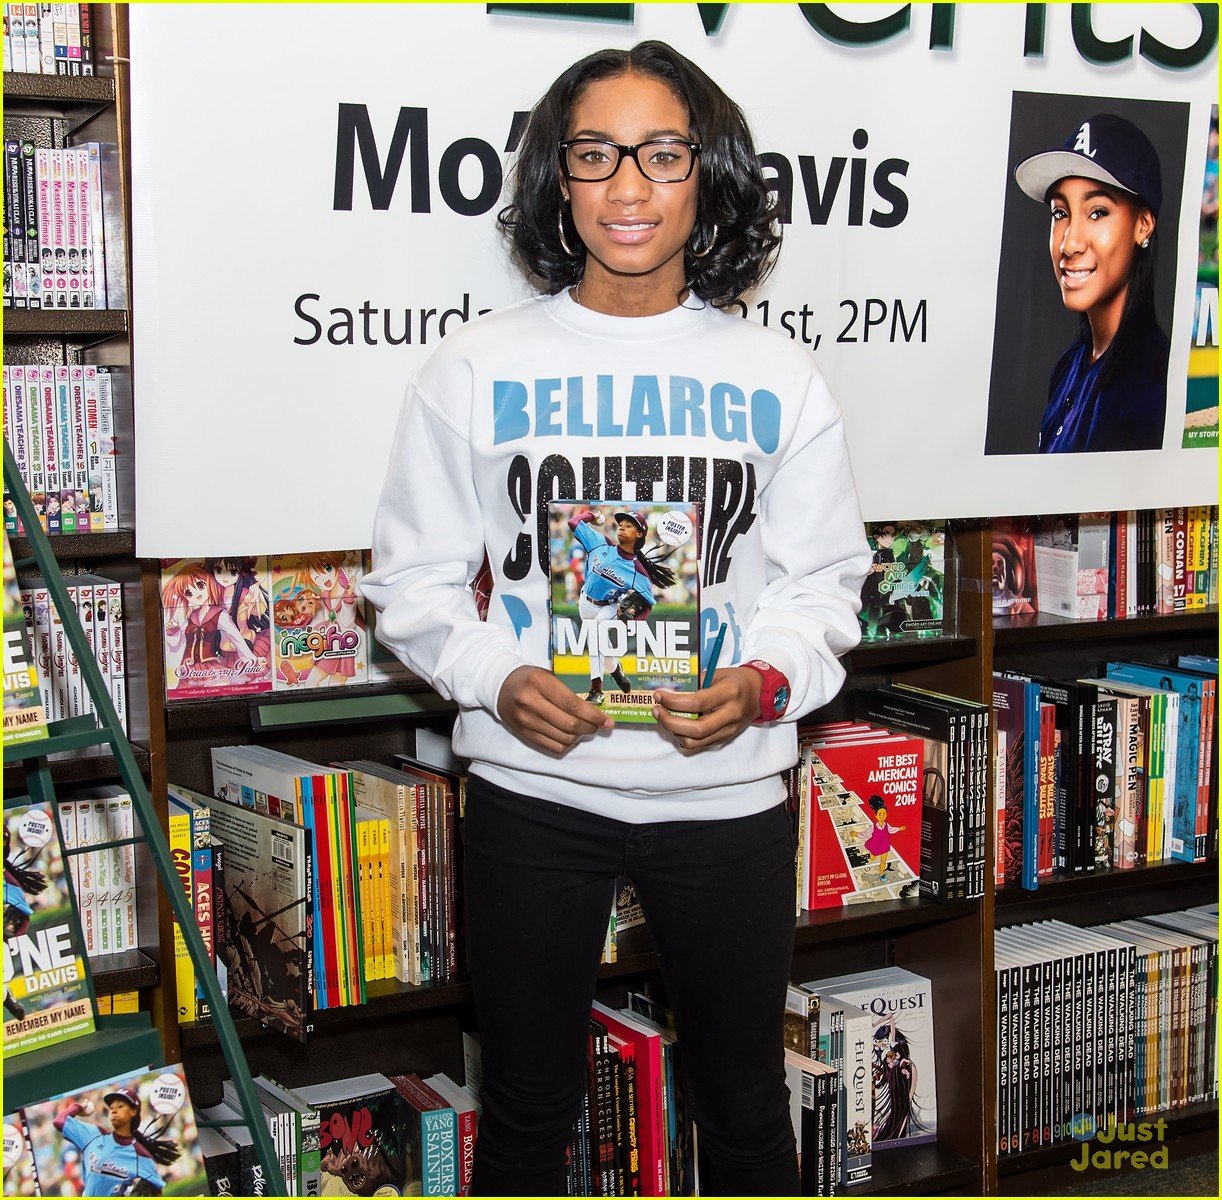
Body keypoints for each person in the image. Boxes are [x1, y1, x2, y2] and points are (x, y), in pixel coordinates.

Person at [363, 39, 870, 1197]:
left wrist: (766, 685)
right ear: (557, 178)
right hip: (535, 797)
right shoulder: (473, 367)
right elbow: (414, 580)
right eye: (594, 154)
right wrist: (496, 676)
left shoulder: (779, 376)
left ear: (709, 173)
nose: (628, 185)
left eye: (660, 153)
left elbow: (822, 584)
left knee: (745, 1110)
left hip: (728, 795)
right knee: (529, 1116)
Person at [1015, 113, 1169, 453]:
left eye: (1097, 212)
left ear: (1143, 225)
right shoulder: (1071, 364)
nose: (1070, 243)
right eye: (1060, 213)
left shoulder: (1152, 387)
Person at [566, 506, 676, 702]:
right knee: (603, 647)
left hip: (609, 607)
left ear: (639, 534)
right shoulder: (600, 543)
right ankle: (616, 670)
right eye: (621, 525)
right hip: (585, 602)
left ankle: (596, 689)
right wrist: (593, 516)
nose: (622, 528)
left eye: (629, 526)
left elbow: (648, 603)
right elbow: (574, 523)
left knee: (595, 633)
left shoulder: (636, 569)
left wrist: (631, 615)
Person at [52, 1087, 179, 1196]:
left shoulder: (140, 1156)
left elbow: (158, 1190)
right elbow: (59, 1121)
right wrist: (80, 1107)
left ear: (133, 1112)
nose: (113, 1110)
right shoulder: (94, 1135)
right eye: (111, 1107)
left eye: (120, 1106)